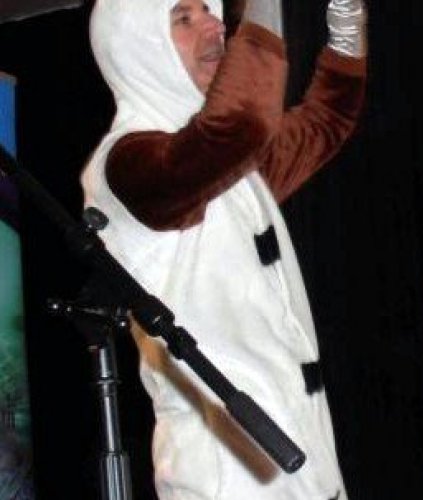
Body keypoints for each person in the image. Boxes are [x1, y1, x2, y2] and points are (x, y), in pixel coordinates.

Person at [80, 0, 366, 498]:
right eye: (184, 18)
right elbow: (238, 129)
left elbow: (324, 121)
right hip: (224, 477)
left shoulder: (224, 166)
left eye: (210, 10)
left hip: (300, 461)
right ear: (137, 46)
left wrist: (347, 19)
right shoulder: (126, 165)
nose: (215, 26)